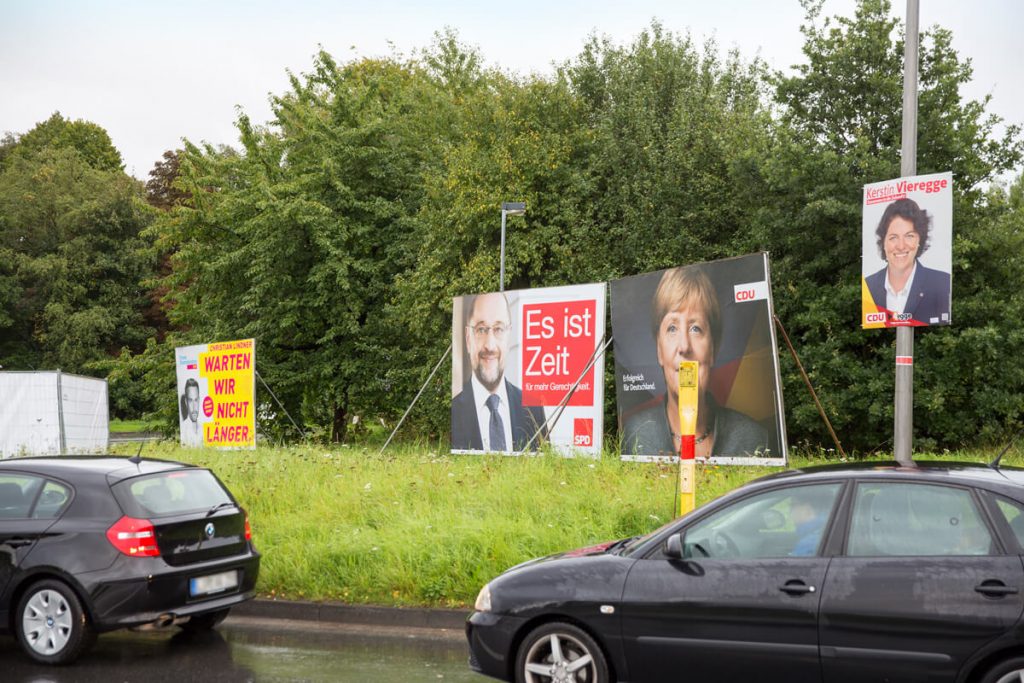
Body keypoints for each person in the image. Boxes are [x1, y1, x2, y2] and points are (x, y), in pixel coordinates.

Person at [621, 265, 767, 458]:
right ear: (659, 349)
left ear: (713, 348)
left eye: (695, 328)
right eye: (672, 328)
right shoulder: (634, 434)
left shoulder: (753, 438)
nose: (684, 346)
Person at [451, 292, 547, 452]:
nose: (490, 345)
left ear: (509, 336)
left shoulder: (534, 408)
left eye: (499, 329)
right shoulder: (455, 409)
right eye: (481, 329)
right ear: (468, 339)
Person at [864, 197, 951, 325]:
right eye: (893, 237)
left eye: (909, 236)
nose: (901, 246)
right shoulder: (868, 286)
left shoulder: (942, 283)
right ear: (883, 242)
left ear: (919, 240)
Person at [790, 488, 834, 556]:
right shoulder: (829, 528)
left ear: (807, 509)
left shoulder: (808, 544)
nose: (790, 510)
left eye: (793, 505)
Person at [179, 378, 202, 446]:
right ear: (186, 402)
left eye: (196, 400)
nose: (194, 407)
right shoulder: (183, 430)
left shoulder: (203, 428)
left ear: (199, 400)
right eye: (190, 400)